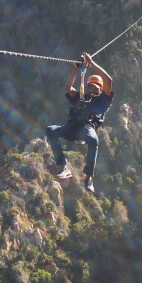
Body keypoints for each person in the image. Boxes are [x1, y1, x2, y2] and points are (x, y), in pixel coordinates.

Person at [46, 52, 114, 193]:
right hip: (73, 125)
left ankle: (88, 178)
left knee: (93, 141)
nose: (93, 89)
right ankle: (63, 167)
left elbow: (109, 81)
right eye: (91, 86)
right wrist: (76, 70)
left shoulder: (103, 101)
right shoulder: (81, 96)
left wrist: (92, 63)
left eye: (96, 87)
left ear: (100, 89)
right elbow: (68, 88)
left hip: (87, 126)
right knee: (50, 130)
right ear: (88, 87)